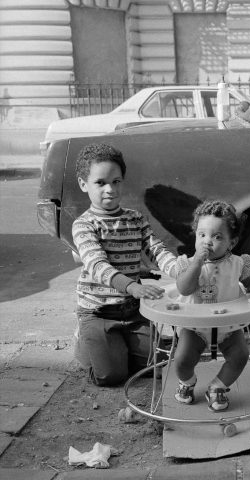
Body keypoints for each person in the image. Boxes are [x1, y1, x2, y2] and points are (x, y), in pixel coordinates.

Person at [72, 143, 178, 386]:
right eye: (100, 183)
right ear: (83, 184)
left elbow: (157, 250)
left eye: (116, 181)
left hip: (132, 311)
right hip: (98, 313)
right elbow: (98, 266)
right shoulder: (84, 224)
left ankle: (122, 347)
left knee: (158, 366)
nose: (110, 189)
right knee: (111, 376)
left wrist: (180, 269)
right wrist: (133, 286)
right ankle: (84, 342)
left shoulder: (135, 218)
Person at [172, 200, 250, 411]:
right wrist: (197, 262)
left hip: (228, 326)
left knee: (240, 356)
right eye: (202, 235)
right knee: (181, 359)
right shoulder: (188, 264)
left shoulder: (237, 264)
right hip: (195, 326)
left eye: (217, 237)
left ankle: (218, 387)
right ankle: (187, 382)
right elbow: (184, 289)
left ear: (231, 243)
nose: (208, 242)